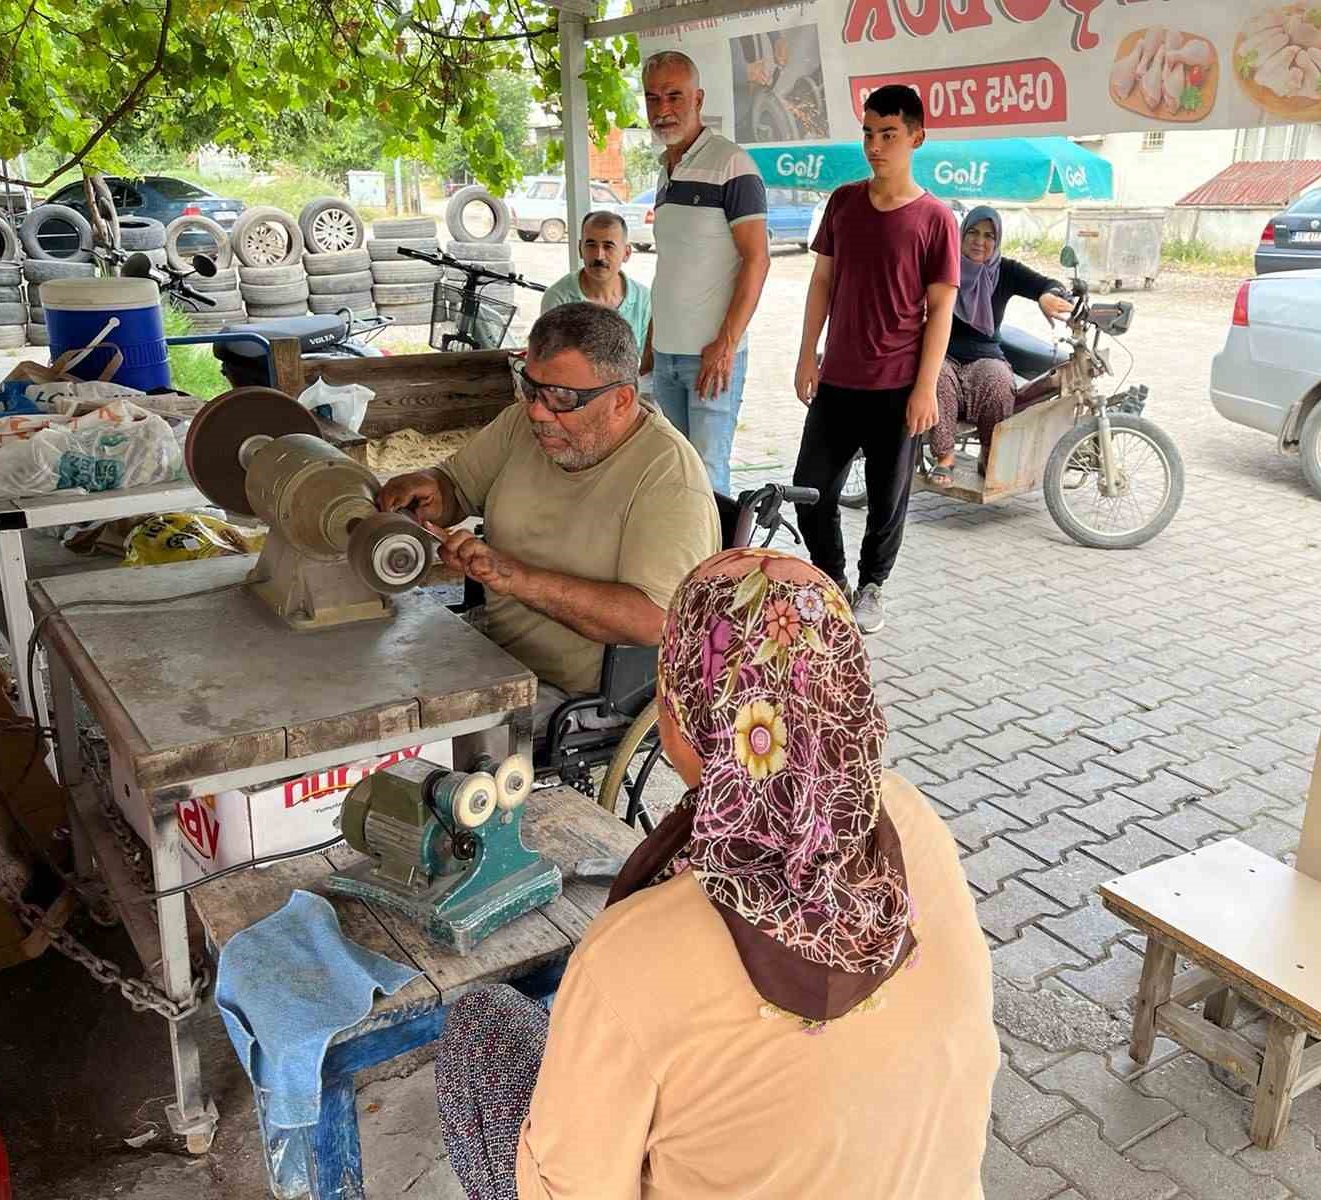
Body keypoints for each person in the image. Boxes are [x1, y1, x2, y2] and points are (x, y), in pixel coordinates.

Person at [435, 548, 999, 1200]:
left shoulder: (629, 957)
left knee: (483, 1024)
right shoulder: (909, 817)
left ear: (674, 722)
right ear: (846, 689)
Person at [377, 303, 719, 737]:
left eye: (562, 398)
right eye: (531, 387)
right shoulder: (525, 423)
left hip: (581, 696)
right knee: (375, 678)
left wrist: (514, 577)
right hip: (494, 653)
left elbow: (652, 620)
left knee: (409, 734)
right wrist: (425, 488)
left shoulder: (667, 477)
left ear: (621, 400)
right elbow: (455, 487)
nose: (538, 411)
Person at [791, 83, 959, 634]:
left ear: (916, 137)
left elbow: (940, 309)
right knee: (810, 489)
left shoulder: (936, 218)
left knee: (887, 502)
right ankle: (831, 578)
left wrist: (926, 387)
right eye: (868, 133)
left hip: (898, 386)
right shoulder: (843, 202)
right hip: (837, 379)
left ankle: (871, 586)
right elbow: (822, 280)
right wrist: (806, 355)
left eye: (888, 134)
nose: (875, 145)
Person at [643, 49, 772, 495]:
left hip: (712, 358)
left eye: (674, 96)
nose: (663, 109)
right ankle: (684, 565)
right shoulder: (665, 171)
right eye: (653, 98)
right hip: (666, 355)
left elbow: (758, 259)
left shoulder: (731, 164)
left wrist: (727, 343)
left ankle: (717, 566)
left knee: (707, 479)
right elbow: (673, 266)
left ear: (698, 98)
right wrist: (649, 343)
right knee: (675, 475)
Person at [929, 206, 1073, 483]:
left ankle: (988, 451)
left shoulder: (1005, 270)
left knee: (998, 382)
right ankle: (944, 457)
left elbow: (1048, 284)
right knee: (935, 380)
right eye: (972, 232)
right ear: (961, 234)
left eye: (988, 235)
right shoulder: (945, 264)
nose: (979, 241)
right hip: (942, 351)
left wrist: (1046, 296)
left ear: (997, 241)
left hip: (986, 355)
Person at [540, 210, 651, 350]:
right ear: (580, 249)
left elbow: (649, 364)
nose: (599, 255)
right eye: (591, 245)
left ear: (626, 253)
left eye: (608, 246)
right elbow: (550, 361)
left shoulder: (644, 300)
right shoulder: (558, 298)